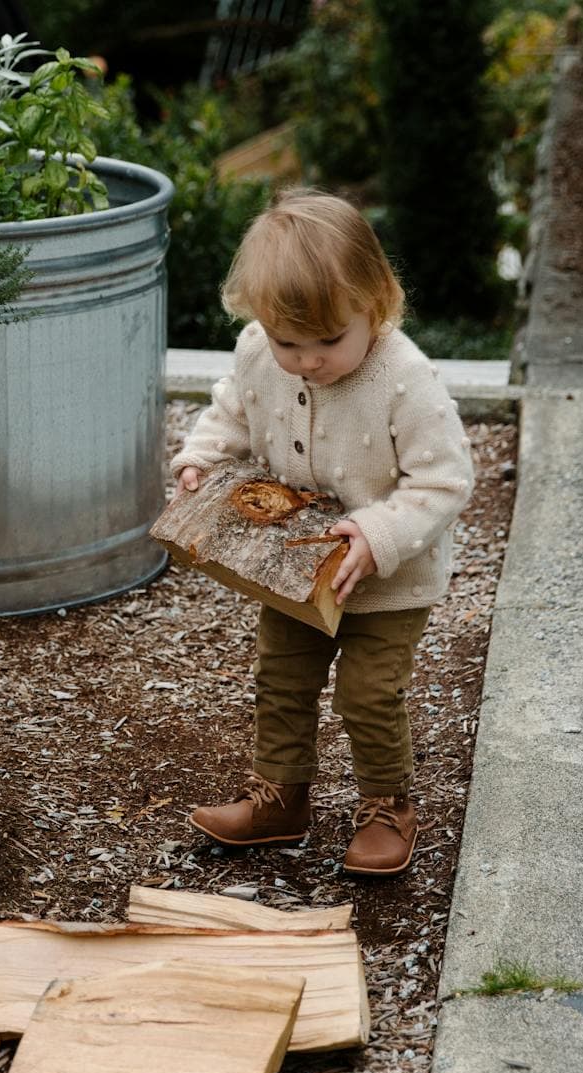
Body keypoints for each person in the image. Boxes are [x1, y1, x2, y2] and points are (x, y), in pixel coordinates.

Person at [169, 189, 475, 877]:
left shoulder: (404, 379)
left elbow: (447, 478)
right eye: (288, 342)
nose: (306, 360)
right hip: (295, 570)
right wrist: (201, 456)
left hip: (386, 578)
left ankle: (386, 804)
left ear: (377, 303)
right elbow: (233, 413)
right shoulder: (258, 352)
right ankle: (282, 797)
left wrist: (378, 533)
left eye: (328, 342)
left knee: (367, 691)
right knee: (281, 676)